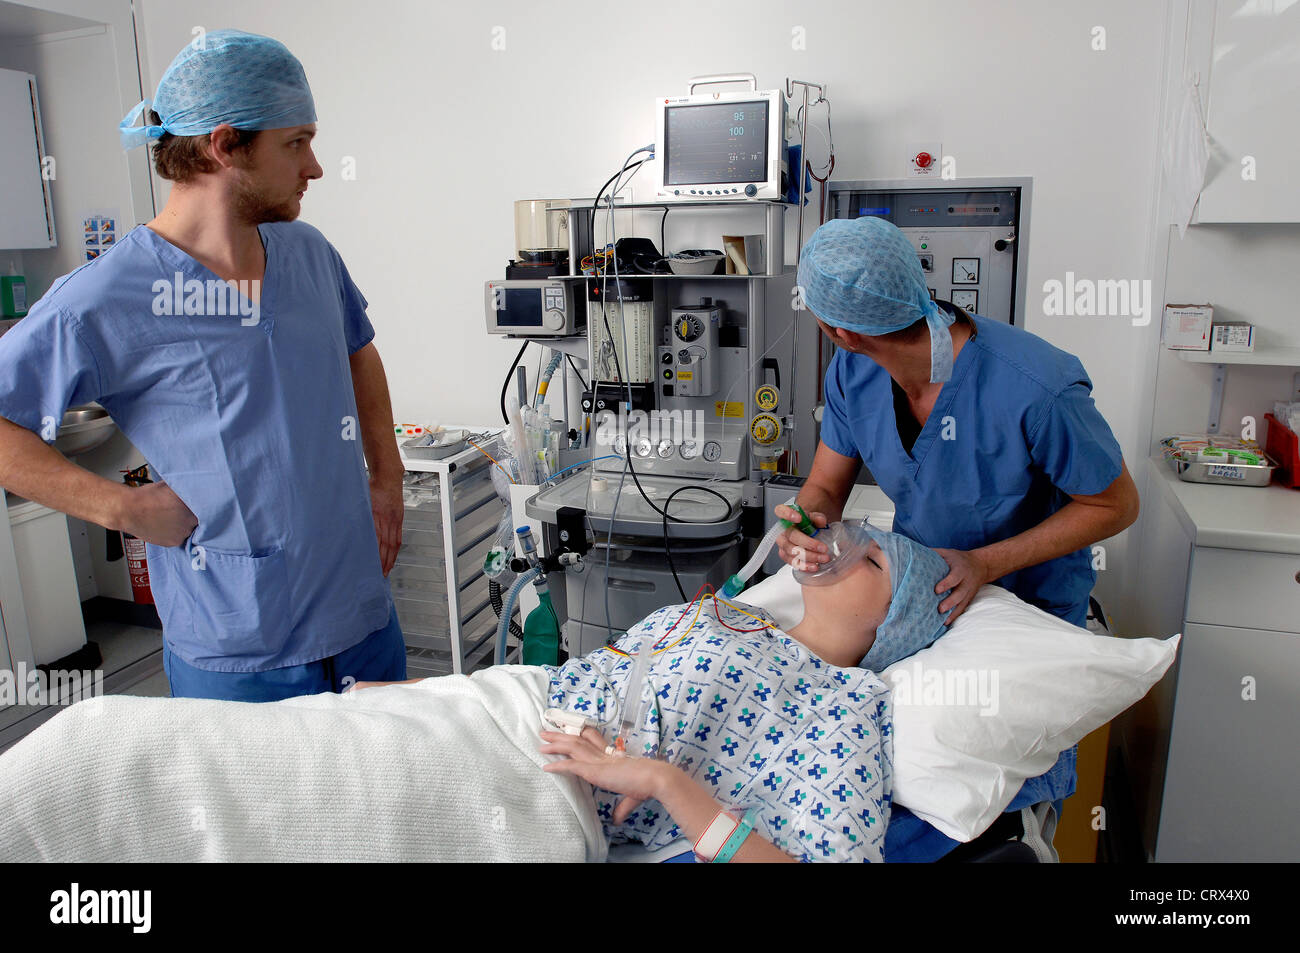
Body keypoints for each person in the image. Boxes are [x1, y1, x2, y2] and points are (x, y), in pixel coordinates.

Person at [0, 31, 405, 702]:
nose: (316, 167)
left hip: (361, 618)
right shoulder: (108, 297)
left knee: (390, 803)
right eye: (296, 142)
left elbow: (358, 348)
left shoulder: (308, 254)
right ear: (225, 145)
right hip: (241, 651)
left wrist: (386, 474)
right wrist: (120, 507)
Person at [775, 215, 1140, 835]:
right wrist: (805, 521)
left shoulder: (1036, 385)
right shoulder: (854, 373)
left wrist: (986, 564)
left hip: (1024, 604)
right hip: (928, 600)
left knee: (1000, 787)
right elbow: (827, 487)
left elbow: (1115, 506)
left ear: (841, 331)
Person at [358, 524, 954, 863]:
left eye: (872, 560)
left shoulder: (844, 705)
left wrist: (665, 783)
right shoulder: (738, 615)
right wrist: (424, 693)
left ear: (891, 623)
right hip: (498, 709)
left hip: (538, 779)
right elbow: (586, 678)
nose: (843, 545)